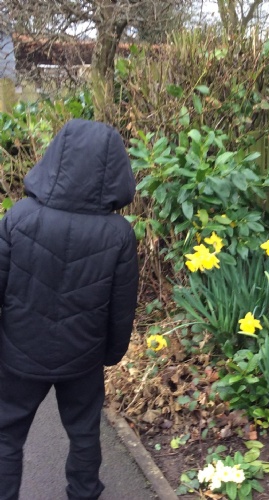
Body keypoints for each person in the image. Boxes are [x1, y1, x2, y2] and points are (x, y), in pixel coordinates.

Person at [0, 119, 139, 500]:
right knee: (84, 432)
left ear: (55, 158)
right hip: (82, 356)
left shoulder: (18, 217)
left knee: (6, 434)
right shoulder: (119, 234)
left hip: (19, 353)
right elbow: (122, 306)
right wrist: (111, 354)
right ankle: (84, 492)